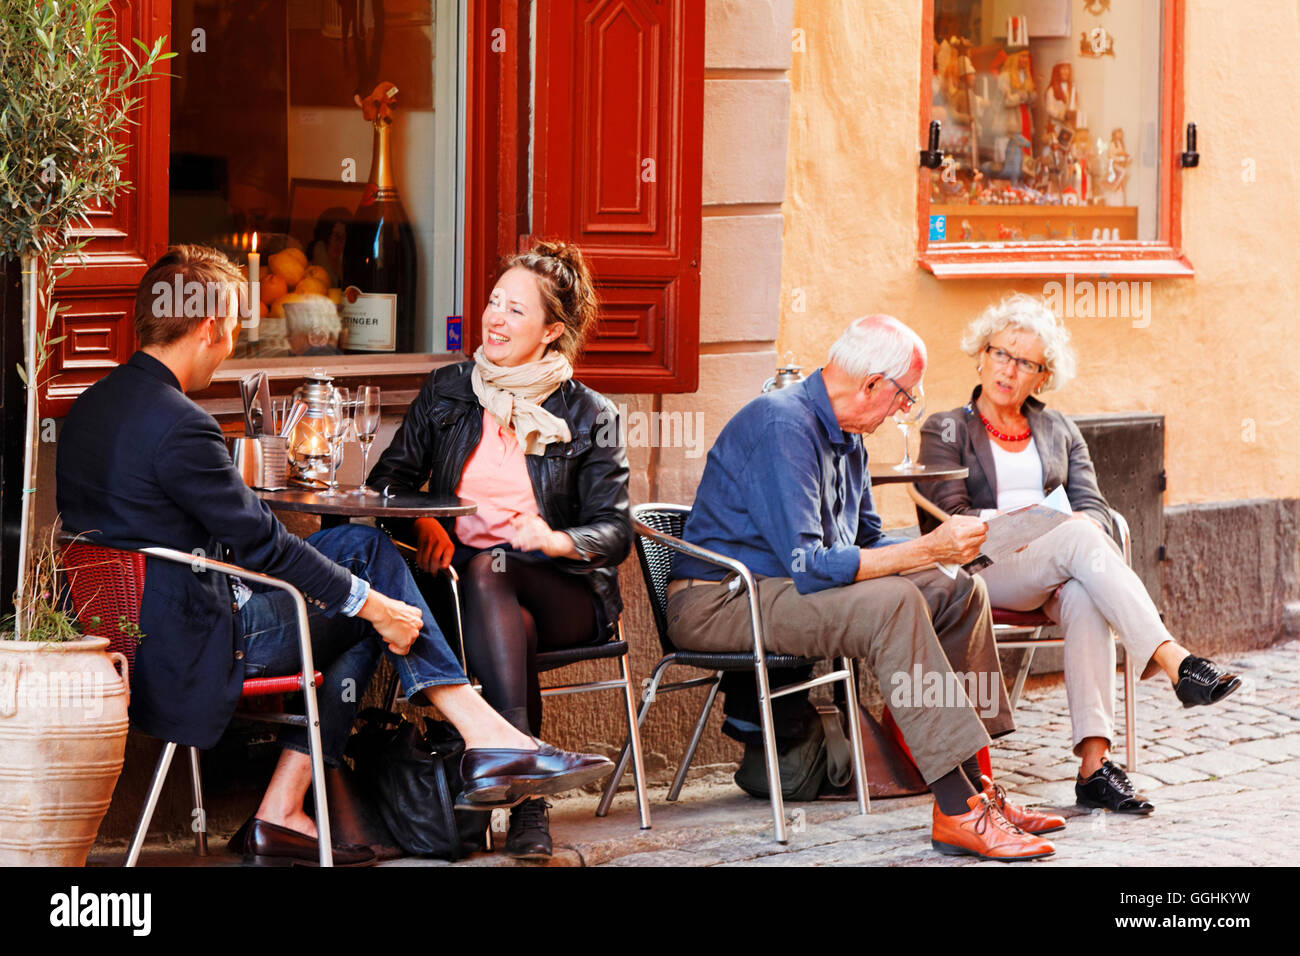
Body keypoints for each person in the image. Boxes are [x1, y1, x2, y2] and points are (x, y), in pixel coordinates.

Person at [55, 245, 613, 867]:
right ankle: (486, 736)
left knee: (362, 572)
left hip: (132, 642)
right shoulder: (182, 424)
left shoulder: (89, 409)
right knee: (370, 580)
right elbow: (263, 543)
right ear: (211, 326)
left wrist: (369, 607)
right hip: (198, 644)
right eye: (236, 324)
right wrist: (372, 604)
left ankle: (284, 811)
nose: (233, 340)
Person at [666, 314, 1063, 862]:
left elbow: (871, 541)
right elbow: (809, 564)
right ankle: (956, 810)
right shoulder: (782, 424)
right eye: (905, 397)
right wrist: (927, 550)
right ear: (872, 382)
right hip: (724, 600)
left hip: (782, 589)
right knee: (896, 602)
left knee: (957, 588)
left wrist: (956, 549)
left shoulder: (848, 435)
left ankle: (977, 792)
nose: (906, 410)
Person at [916, 294, 1241, 816]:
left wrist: (1077, 523)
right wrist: (1033, 527)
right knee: (1075, 538)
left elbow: (1093, 503)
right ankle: (1174, 661)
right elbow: (944, 515)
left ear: (1042, 377)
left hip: (1054, 568)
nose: (1009, 369)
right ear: (981, 354)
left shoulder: (1059, 430)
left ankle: (1095, 769)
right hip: (982, 570)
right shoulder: (946, 428)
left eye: (1026, 363)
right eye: (1002, 353)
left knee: (1087, 591)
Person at [366, 239, 631, 861]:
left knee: (496, 569)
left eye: (516, 310)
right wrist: (421, 524)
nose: (495, 318)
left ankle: (502, 770)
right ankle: (528, 800)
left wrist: (555, 539)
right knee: (496, 591)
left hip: (563, 586)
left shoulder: (592, 414)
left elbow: (614, 531)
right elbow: (386, 484)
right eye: (493, 302)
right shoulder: (449, 392)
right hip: (462, 587)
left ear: (551, 331)